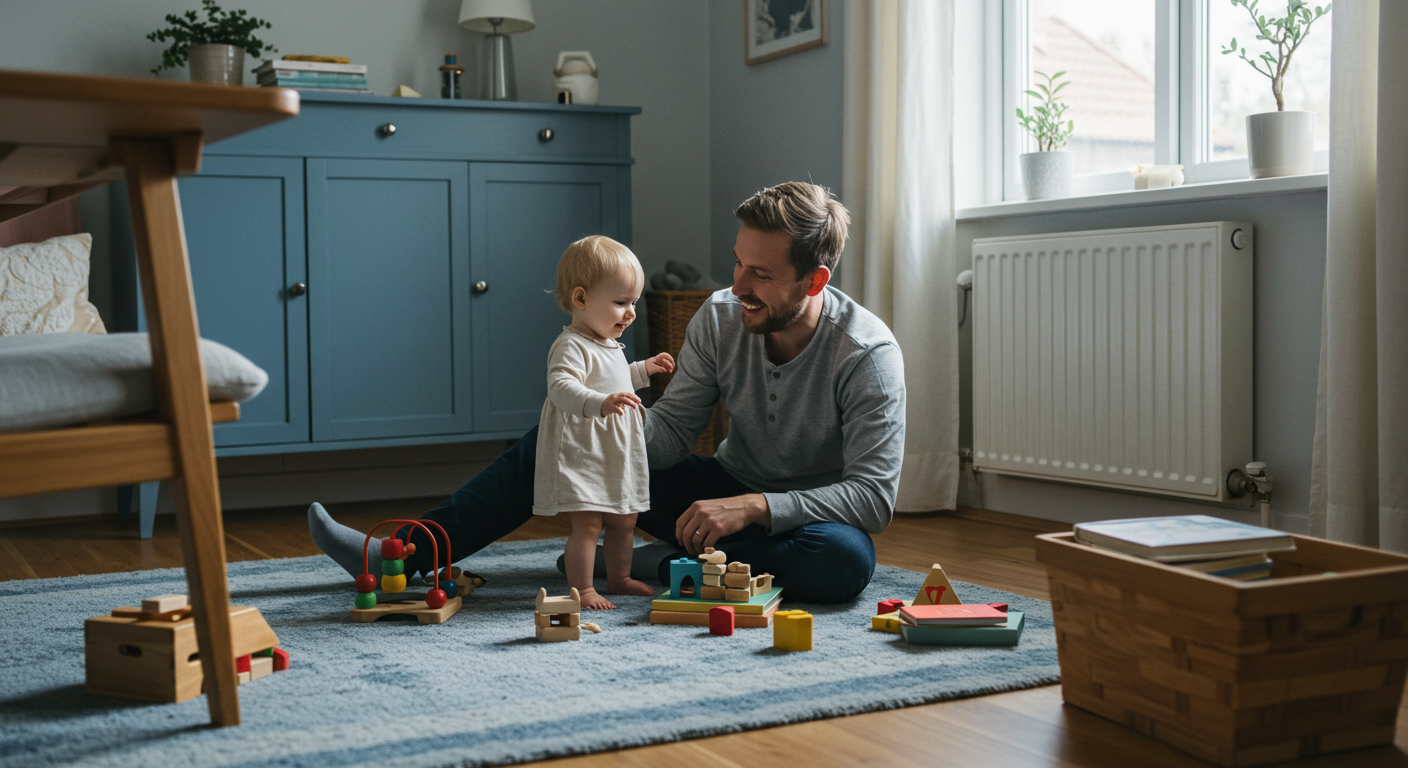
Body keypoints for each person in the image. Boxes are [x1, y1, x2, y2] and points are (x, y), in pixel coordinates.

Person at [310, 181, 906, 604]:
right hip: (711, 503)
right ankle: (405, 553)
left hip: (801, 521)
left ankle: (667, 566)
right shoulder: (721, 318)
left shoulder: (867, 356)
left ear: (816, 279)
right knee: (567, 434)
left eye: (761, 275)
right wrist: (594, 422)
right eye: (738, 264)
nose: (737, 285)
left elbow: (872, 498)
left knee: (844, 561)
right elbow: (670, 432)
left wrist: (754, 507)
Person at [535, 236, 674, 609]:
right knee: (589, 524)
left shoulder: (609, 344)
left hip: (617, 451)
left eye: (634, 303)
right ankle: (584, 589)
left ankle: (620, 578)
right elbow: (561, 388)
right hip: (585, 452)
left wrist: (644, 370)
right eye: (620, 303)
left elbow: (616, 379)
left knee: (625, 519)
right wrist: (599, 403)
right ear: (581, 299)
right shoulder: (572, 345)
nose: (630, 313)